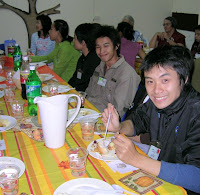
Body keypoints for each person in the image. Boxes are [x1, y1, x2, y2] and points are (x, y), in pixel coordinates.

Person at [102, 45, 200, 194]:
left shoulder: (196, 111)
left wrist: (137, 159)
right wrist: (119, 127)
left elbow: (197, 178)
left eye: (165, 80)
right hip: (160, 179)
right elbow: (138, 120)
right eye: (150, 81)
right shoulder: (156, 102)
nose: (156, 90)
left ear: (184, 79)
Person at [86, 25, 141, 118]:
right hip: (89, 113)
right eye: (98, 47)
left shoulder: (126, 74)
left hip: (106, 120)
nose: (101, 51)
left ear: (116, 46)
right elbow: (88, 93)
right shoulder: (99, 68)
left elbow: (118, 111)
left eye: (106, 46)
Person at [68, 23, 101, 91]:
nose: (73, 41)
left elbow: (86, 85)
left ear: (83, 43)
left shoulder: (94, 61)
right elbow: (75, 78)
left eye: (75, 38)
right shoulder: (82, 58)